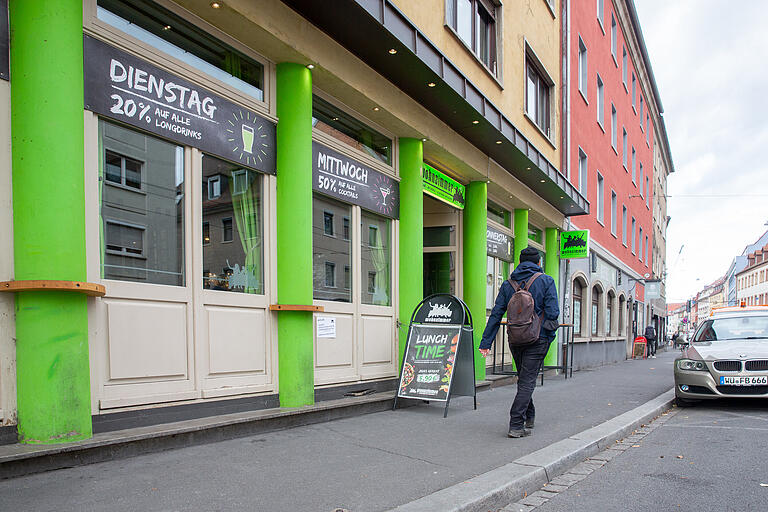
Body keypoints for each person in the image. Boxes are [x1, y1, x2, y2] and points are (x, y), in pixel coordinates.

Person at [479, 247, 560, 438]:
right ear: (538, 263)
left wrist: (486, 342)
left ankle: (529, 416)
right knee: (527, 381)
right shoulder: (546, 281)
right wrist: (548, 335)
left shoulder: (508, 284)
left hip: (515, 338)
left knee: (524, 378)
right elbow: (553, 312)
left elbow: (496, 314)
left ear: (520, 263)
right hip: (537, 339)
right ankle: (516, 424)